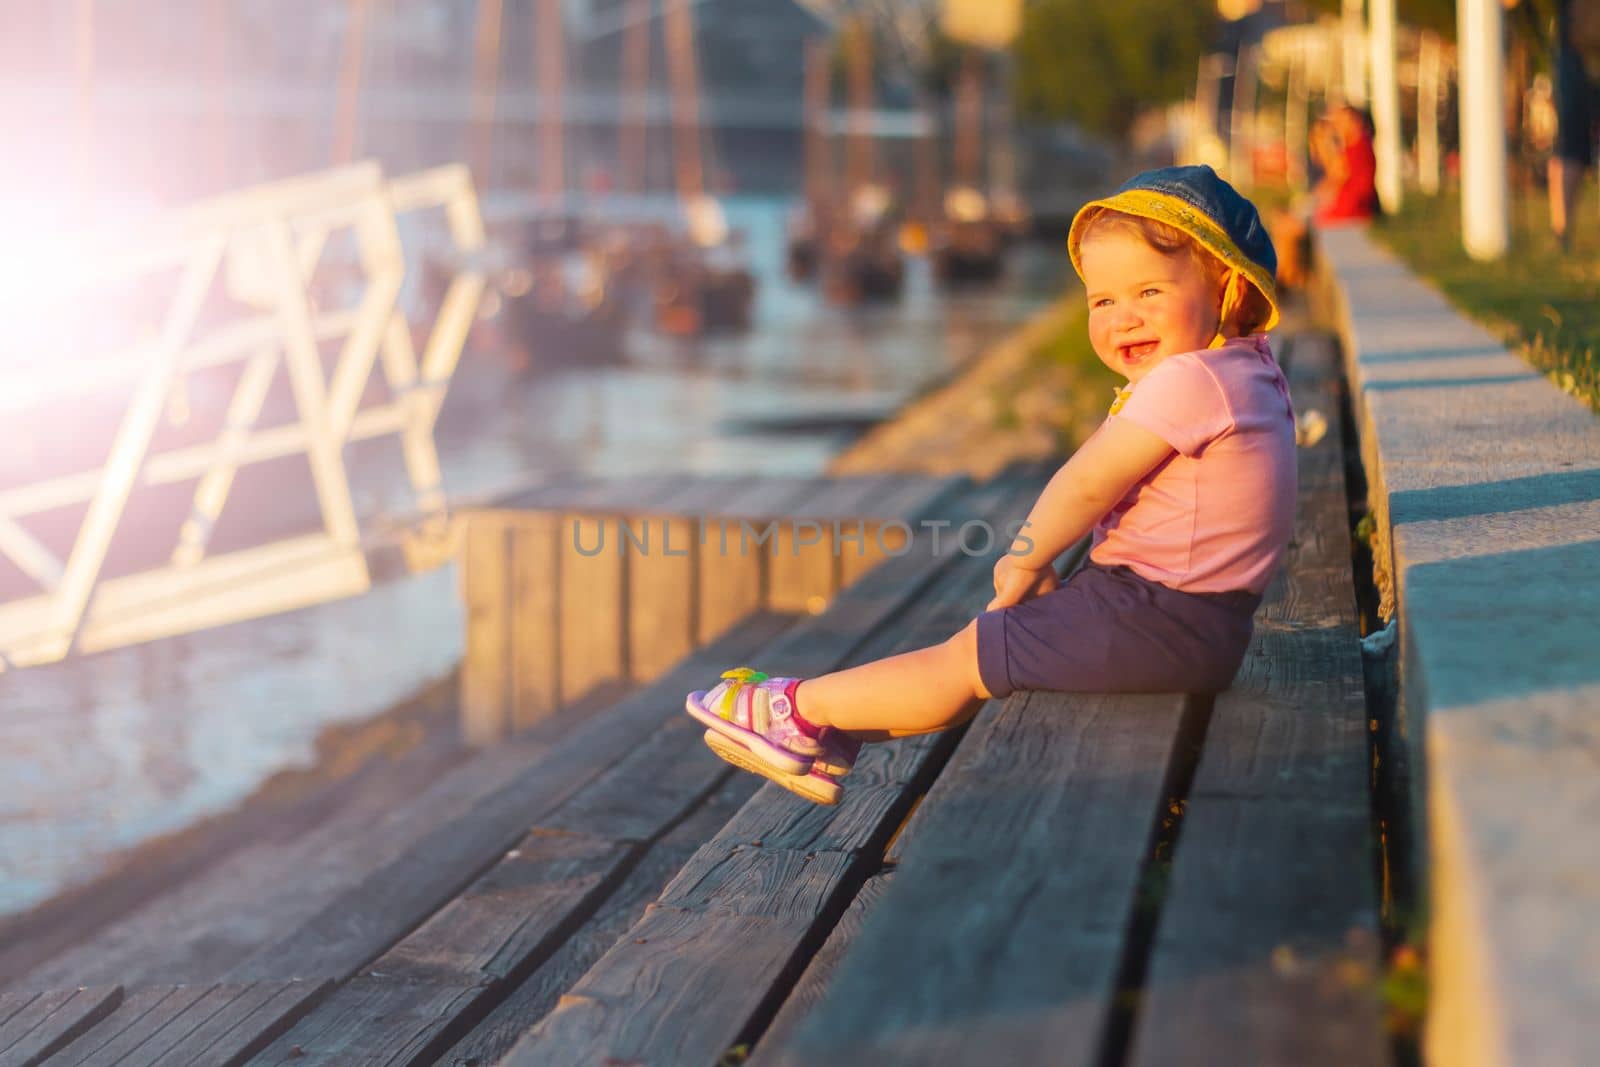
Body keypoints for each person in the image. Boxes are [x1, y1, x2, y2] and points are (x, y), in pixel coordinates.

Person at [685, 165, 1298, 806]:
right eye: (1103, 301)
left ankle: (796, 709)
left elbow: (1086, 483)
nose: (1125, 319)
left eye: (1149, 292)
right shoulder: (1247, 372)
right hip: (1198, 623)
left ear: (1226, 286)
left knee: (969, 657)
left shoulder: (1192, 380)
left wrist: (1028, 555)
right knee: (984, 658)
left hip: (1156, 615)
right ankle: (829, 732)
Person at [1550, 0, 1600, 250]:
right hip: (1576, 52)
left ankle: (1562, 231)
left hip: (1574, 52)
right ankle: (1562, 231)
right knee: (1571, 144)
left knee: (1570, 144)